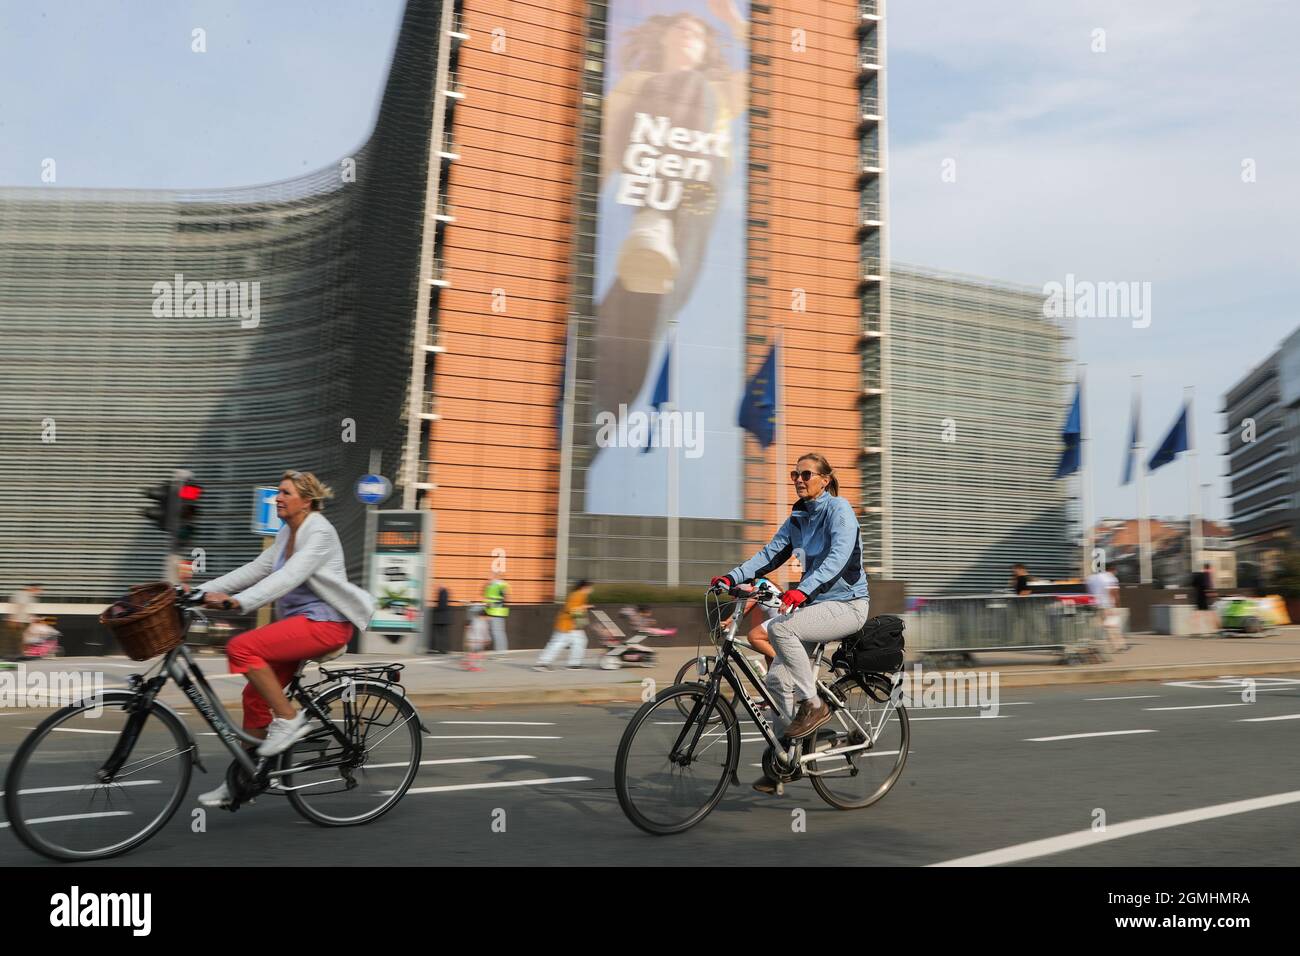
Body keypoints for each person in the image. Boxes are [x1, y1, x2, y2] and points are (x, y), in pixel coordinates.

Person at [193, 470, 375, 808]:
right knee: (254, 696)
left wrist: (240, 601)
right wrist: (201, 592)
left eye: (286, 493)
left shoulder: (318, 531)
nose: (277, 498)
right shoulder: (285, 532)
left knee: (241, 647)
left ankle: (290, 719)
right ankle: (241, 780)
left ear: (306, 501)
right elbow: (256, 569)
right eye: (278, 492)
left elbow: (288, 577)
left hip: (326, 624)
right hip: (299, 624)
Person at [712, 453, 870, 795]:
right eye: (794, 474)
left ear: (824, 479)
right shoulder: (799, 516)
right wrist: (731, 576)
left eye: (806, 474)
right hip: (816, 609)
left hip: (848, 606)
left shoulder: (838, 510)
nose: (799, 479)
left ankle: (815, 705)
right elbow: (770, 554)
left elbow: (838, 559)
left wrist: (804, 591)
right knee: (775, 679)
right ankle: (787, 758)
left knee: (781, 628)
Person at [535, 580, 593, 671]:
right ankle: (543, 663)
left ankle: (574, 664)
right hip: (567, 624)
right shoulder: (578, 595)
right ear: (584, 587)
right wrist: (585, 607)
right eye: (590, 587)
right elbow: (571, 609)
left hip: (572, 624)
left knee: (579, 641)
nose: (591, 589)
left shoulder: (579, 595)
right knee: (558, 643)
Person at [1085, 566, 1126, 652]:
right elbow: (1113, 591)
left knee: (1097, 625)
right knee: (1112, 625)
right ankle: (1118, 645)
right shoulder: (1110, 577)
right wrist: (1116, 605)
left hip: (1095, 604)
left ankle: (1090, 645)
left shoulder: (1091, 578)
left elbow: (1088, 591)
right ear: (1112, 570)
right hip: (1107, 604)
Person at [482, 577, 510, 653]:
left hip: (497, 612)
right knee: (498, 632)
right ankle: (501, 651)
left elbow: (505, 599)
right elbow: (486, 597)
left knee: (497, 632)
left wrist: (494, 604)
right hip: (493, 612)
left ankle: (501, 651)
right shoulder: (492, 587)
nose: (488, 580)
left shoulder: (500, 586)